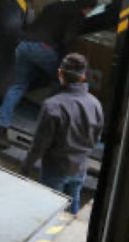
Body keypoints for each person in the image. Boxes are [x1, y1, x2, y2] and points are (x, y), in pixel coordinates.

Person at [0, 0, 97, 145]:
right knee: (62, 82)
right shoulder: (77, 15)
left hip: (23, 44)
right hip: (43, 48)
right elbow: (67, 39)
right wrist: (68, 65)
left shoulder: (55, 4)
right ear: (87, 8)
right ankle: (48, 131)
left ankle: (1, 127)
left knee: (18, 85)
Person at [20, 53, 103, 214]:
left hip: (55, 169)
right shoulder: (95, 104)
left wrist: (26, 165)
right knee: (72, 210)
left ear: (60, 74)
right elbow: (96, 139)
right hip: (80, 168)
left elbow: (40, 144)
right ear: (83, 76)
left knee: (48, 212)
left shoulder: (53, 105)